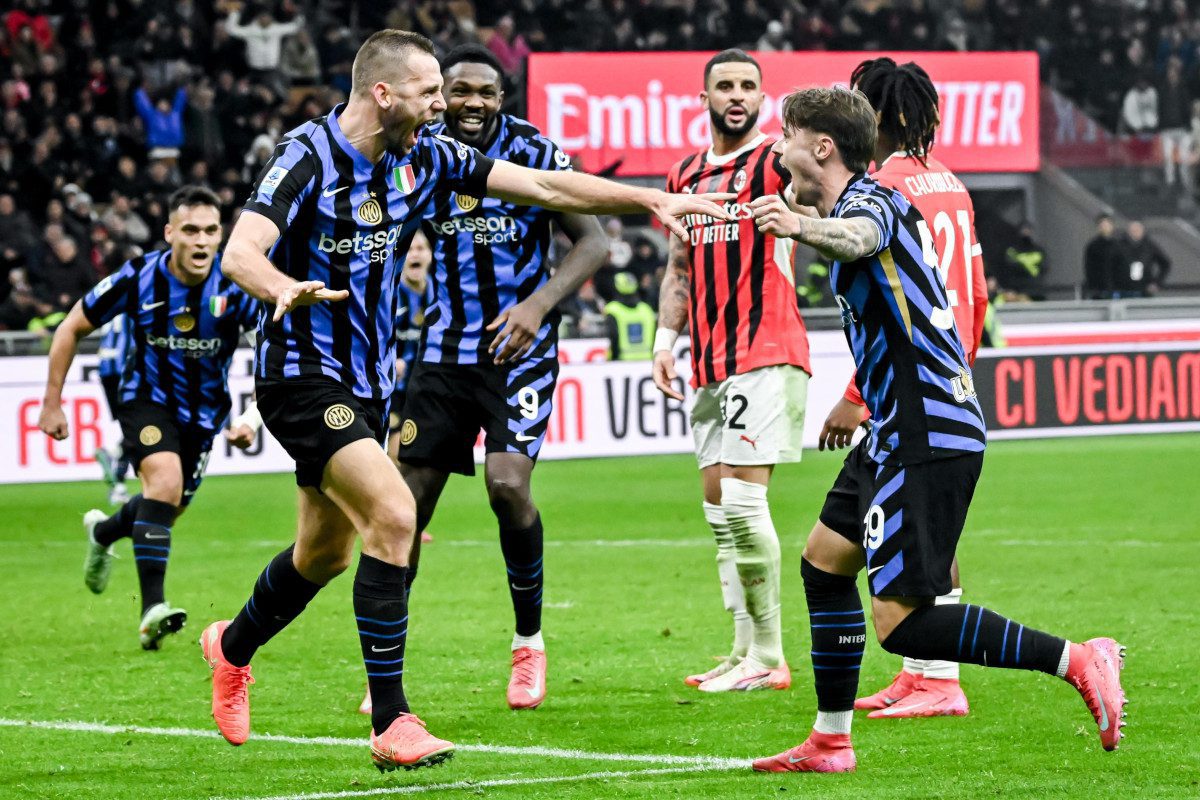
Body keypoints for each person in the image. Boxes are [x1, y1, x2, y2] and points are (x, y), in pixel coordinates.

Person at [198, 29, 730, 772]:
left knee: (322, 554)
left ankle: (230, 647)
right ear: (383, 93)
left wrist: (648, 198)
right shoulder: (306, 155)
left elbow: (547, 188)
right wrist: (281, 286)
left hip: (371, 381)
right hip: (301, 374)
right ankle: (392, 722)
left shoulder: (427, 156)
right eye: (428, 93)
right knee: (395, 514)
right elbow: (241, 250)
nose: (442, 105)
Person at [746, 87, 1126, 774]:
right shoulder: (844, 200)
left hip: (928, 429)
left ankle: (1077, 658)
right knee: (823, 564)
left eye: (787, 136)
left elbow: (857, 239)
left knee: (904, 625)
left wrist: (796, 227)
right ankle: (830, 742)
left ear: (822, 147)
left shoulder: (873, 203)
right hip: (895, 428)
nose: (778, 148)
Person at [394, 43, 607, 713]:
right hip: (441, 355)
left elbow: (595, 240)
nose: (474, 103)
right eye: (460, 91)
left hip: (521, 351)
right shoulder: (418, 155)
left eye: (486, 92)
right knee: (402, 513)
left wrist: (539, 304)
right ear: (439, 97)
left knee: (508, 485)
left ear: (502, 98)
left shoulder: (537, 153)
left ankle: (529, 644)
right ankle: (384, 673)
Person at [822, 58, 990, 719]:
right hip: (946, 376)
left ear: (881, 117)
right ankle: (922, 672)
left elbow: (902, 304)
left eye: (860, 105)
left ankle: (939, 677)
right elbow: (972, 294)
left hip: (909, 387)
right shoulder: (950, 183)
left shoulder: (885, 189)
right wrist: (958, 372)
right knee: (911, 530)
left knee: (919, 531)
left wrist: (859, 394)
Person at [37, 186, 261, 650]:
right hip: (146, 400)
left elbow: (274, 349)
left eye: (211, 231)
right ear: (170, 233)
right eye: (191, 230)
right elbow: (71, 327)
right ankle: (152, 609)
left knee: (167, 507)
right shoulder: (139, 277)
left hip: (204, 416)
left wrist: (251, 419)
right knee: (163, 484)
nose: (201, 241)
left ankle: (103, 532)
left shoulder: (236, 283)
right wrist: (52, 401)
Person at [652, 49, 813, 693]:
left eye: (749, 85)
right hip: (708, 363)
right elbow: (678, 268)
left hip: (766, 349)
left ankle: (770, 658)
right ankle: (743, 648)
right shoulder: (684, 173)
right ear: (705, 97)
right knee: (720, 512)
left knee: (745, 506)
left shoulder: (776, 162)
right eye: (725, 85)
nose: (738, 94)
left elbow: (816, 198)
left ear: (762, 97)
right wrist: (665, 340)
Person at [95, 313, 133, 505]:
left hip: (107, 370)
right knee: (142, 427)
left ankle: (118, 487)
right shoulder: (140, 299)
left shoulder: (112, 302)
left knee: (132, 429)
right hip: (125, 370)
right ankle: (113, 451)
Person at [604, 271, 657, 360]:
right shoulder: (646, 309)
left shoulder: (612, 309)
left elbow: (613, 338)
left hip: (621, 362)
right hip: (647, 361)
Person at [1116, 220, 1170, 297]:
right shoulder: (1119, 246)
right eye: (1132, 231)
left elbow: (1165, 264)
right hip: (1123, 289)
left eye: (1137, 230)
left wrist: (1157, 283)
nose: (1135, 233)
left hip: (1144, 289)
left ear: (1142, 231)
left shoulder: (1150, 246)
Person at [1083, 213, 1121, 299]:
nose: (1105, 227)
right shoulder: (1093, 246)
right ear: (1098, 227)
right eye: (1102, 225)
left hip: (1117, 288)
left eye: (1107, 224)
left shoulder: (1119, 245)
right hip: (1098, 289)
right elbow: (1089, 268)